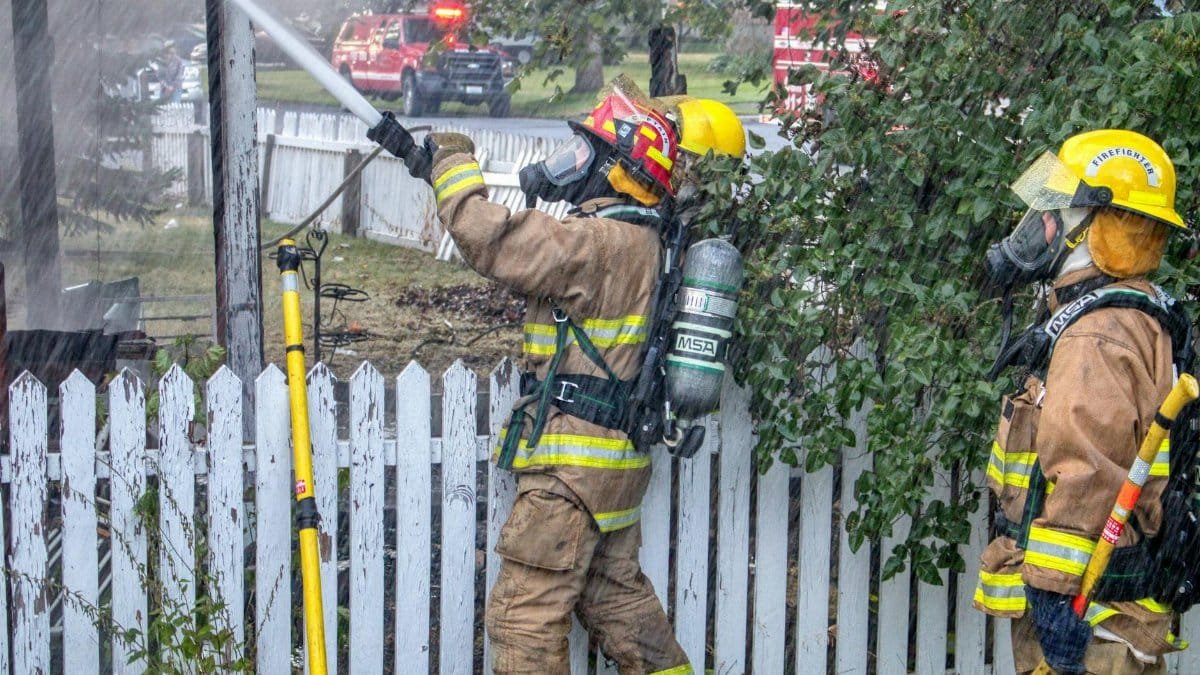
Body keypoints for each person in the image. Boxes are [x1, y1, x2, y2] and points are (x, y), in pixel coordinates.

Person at [371, 76, 745, 674]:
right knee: (618, 601)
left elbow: (491, 239)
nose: (570, 164)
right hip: (614, 474)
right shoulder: (652, 244)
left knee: (524, 621)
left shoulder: (593, 245)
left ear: (616, 169)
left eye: (584, 152)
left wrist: (453, 165)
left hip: (567, 477)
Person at [973, 129, 1191, 674]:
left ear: (1103, 228)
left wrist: (1053, 604)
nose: (1042, 227)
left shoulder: (1099, 334)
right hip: (1100, 617)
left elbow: (1085, 477)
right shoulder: (1125, 315)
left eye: (1060, 214)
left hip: (1088, 623)